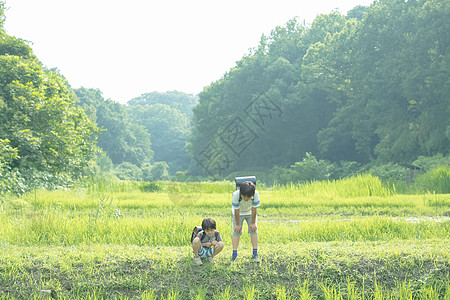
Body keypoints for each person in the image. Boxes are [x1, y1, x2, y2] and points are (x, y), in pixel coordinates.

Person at [231, 181, 260, 262]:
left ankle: (255, 254)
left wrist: (253, 223)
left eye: (248, 197)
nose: (246, 199)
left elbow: (254, 209)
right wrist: (237, 224)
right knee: (236, 231)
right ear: (241, 193)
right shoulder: (236, 194)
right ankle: (234, 254)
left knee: (254, 230)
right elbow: (236, 210)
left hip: (250, 212)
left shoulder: (256, 194)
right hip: (238, 213)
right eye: (244, 197)